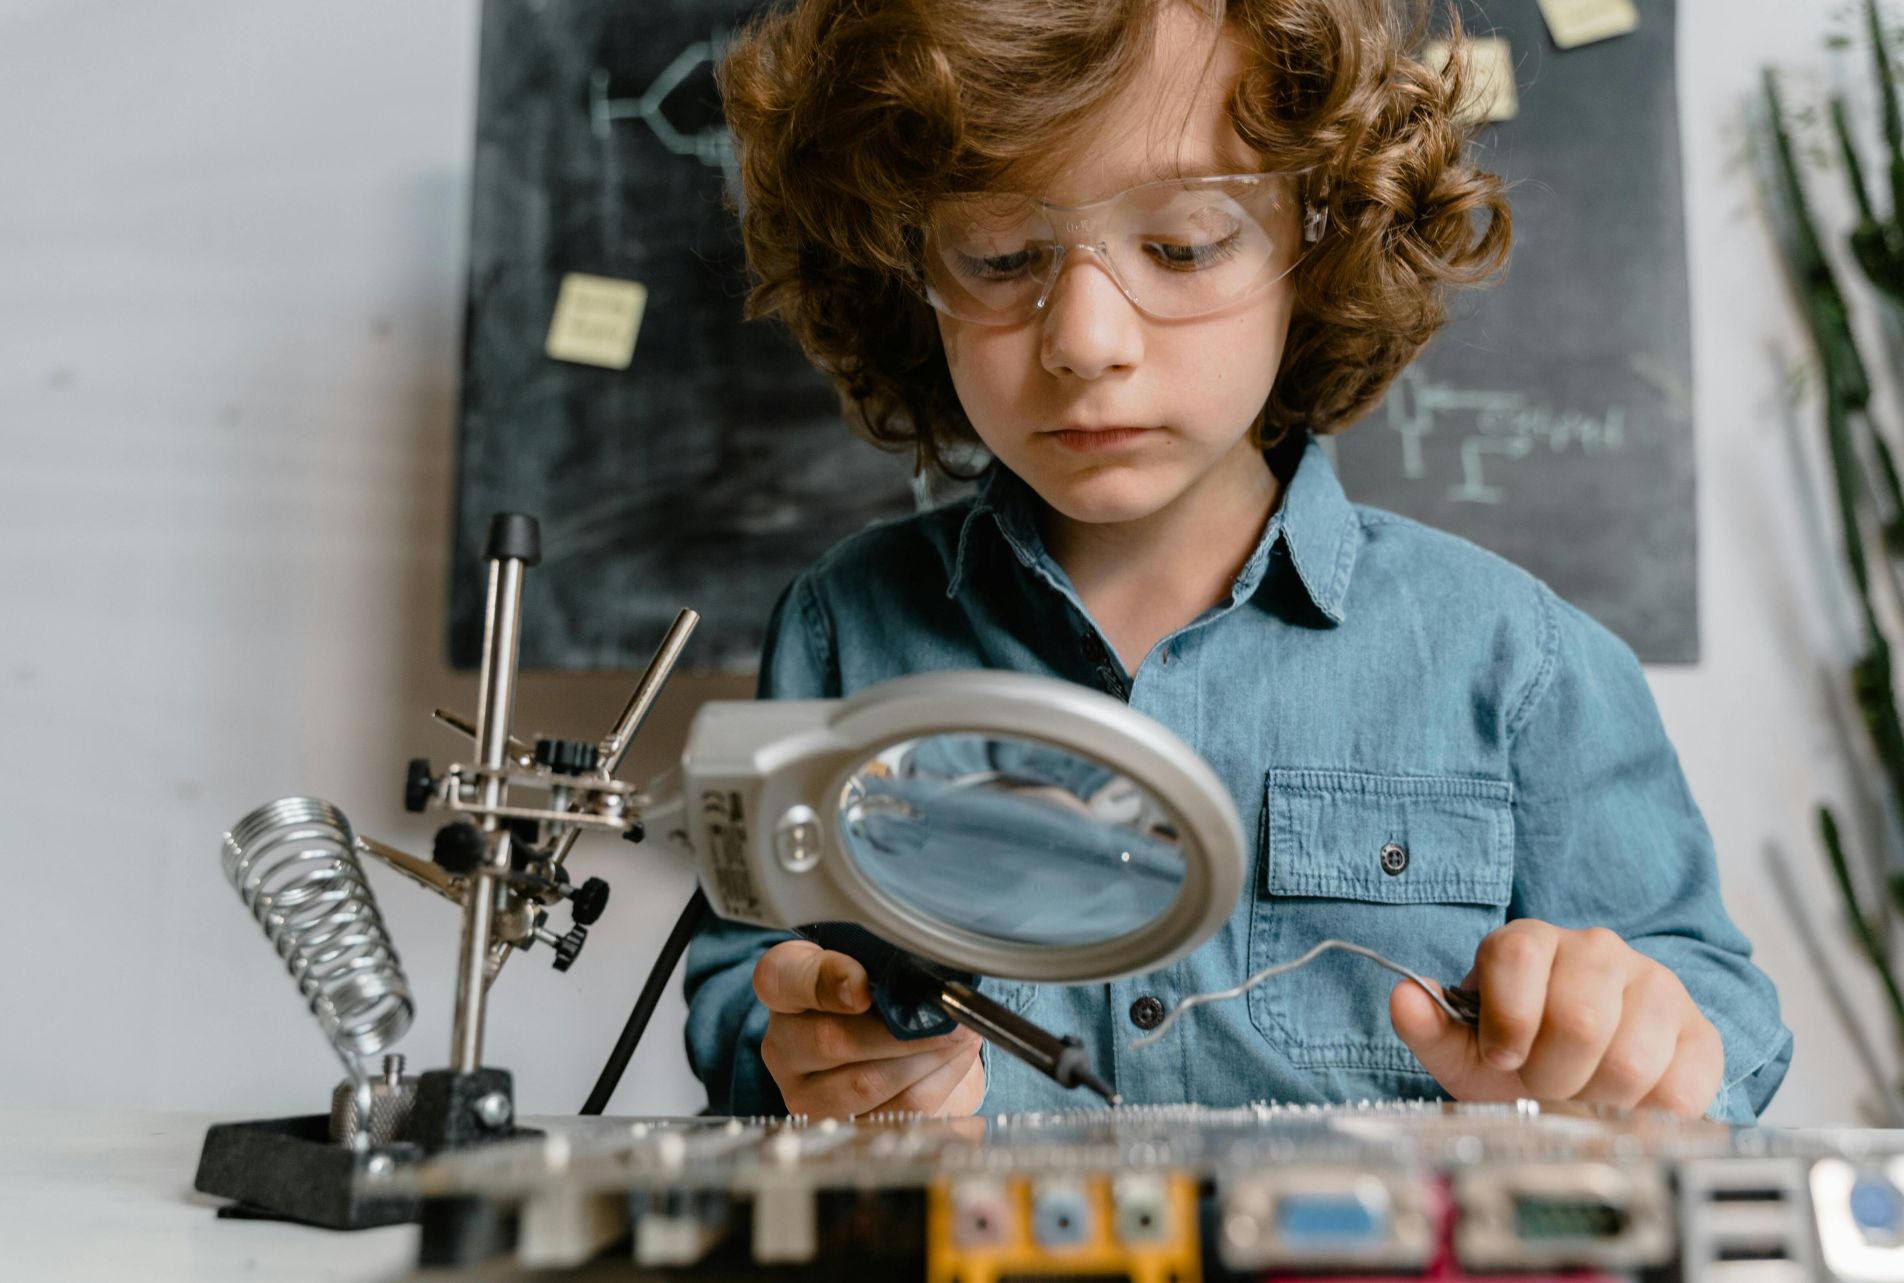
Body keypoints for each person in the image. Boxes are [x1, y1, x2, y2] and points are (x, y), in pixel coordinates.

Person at [683, 0, 1790, 1123]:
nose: (1084, 340)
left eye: (1183, 245)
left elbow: (1723, 1021)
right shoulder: (843, 627)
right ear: (906, 267)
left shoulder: (1519, 662)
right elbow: (745, 984)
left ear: (1321, 239)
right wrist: (816, 1051)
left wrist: (1636, 1044)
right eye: (1000, 254)